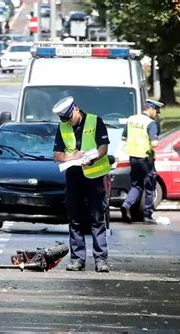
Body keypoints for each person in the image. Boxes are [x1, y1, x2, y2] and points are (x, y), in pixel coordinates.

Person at [53, 96, 111, 273]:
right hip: (74, 176)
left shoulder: (95, 121)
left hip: (95, 177)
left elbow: (103, 147)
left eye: (70, 118)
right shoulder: (63, 126)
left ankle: (101, 260)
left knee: (97, 218)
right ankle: (77, 259)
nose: (69, 122)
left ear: (76, 109)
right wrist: (71, 157)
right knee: (75, 218)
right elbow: (57, 154)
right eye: (65, 120)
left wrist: (92, 157)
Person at [120, 99, 163, 224]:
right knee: (150, 186)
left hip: (133, 157)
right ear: (151, 109)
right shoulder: (150, 123)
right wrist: (154, 142)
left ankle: (126, 204)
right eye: (156, 112)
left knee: (136, 185)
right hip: (146, 158)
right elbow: (154, 143)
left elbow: (124, 137)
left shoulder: (131, 119)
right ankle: (147, 216)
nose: (156, 115)